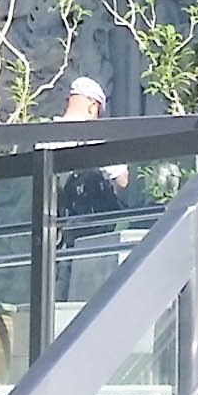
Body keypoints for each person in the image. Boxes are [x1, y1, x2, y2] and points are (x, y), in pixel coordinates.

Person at [56, 77, 128, 301]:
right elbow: (122, 179)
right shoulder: (95, 137)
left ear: (68, 101)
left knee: (59, 286)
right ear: (92, 106)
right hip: (93, 231)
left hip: (56, 230)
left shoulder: (45, 137)